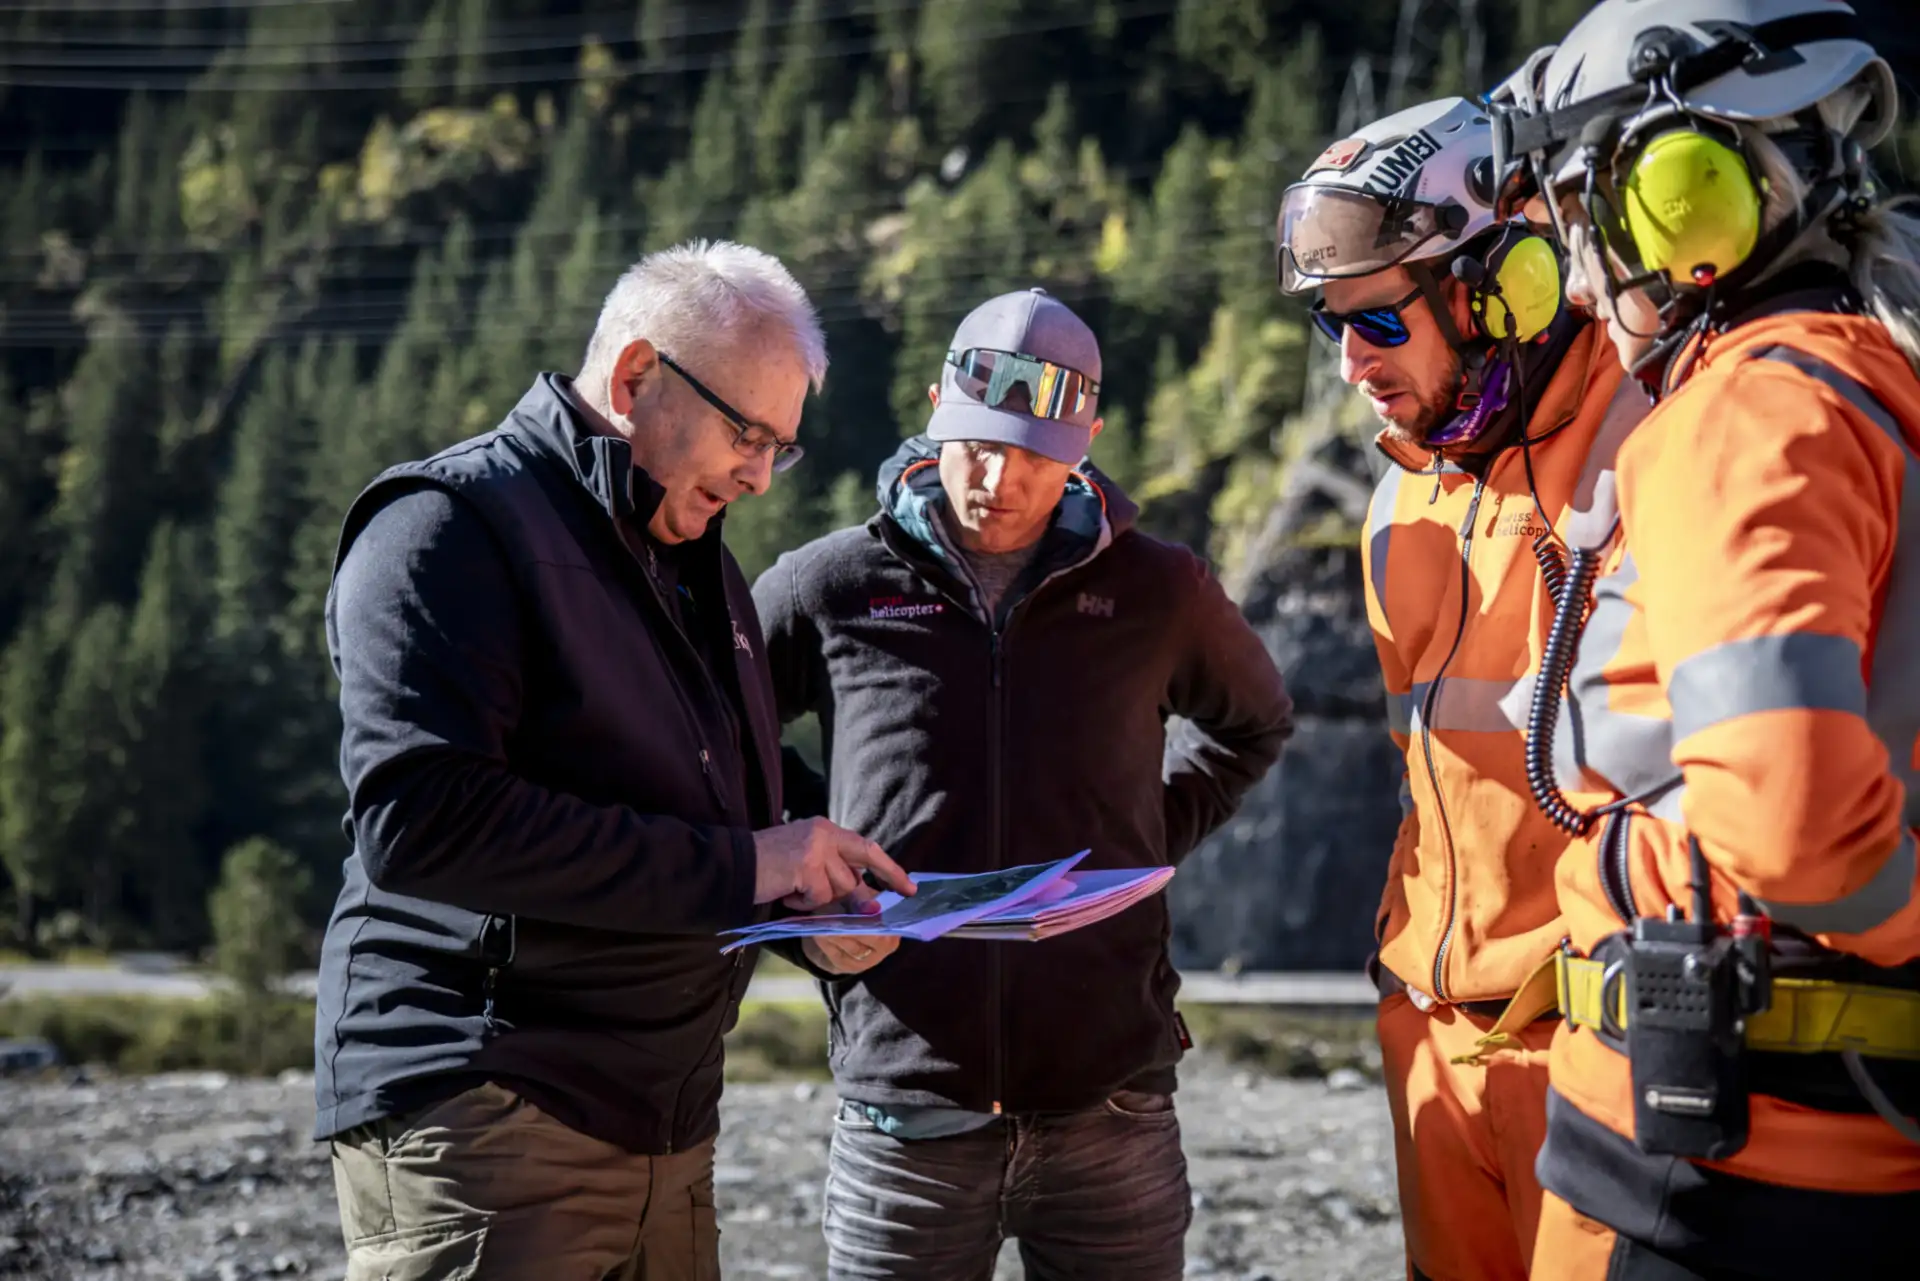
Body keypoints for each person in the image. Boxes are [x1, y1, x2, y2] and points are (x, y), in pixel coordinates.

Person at [312, 238, 914, 1280]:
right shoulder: (446, 526)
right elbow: (422, 820)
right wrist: (755, 868)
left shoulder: (698, 566)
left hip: (668, 1125)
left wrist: (815, 911)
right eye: (746, 432)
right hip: (491, 1108)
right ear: (637, 376)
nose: (761, 476)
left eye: (783, 447)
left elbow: (723, 804)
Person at [1494, 1, 1920, 1275]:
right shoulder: (1878, 375)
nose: (1576, 281)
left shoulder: (1753, 408)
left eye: (1581, 224)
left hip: (1716, 1167)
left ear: (1679, 200)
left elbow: (1794, 830)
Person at [751, 286, 1295, 1280]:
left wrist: (1144, 840)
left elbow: (1252, 725)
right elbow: (715, 738)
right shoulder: (826, 585)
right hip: (900, 1108)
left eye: (1036, 456)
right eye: (976, 446)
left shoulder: (1159, 590)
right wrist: (802, 877)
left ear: (1084, 439)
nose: (998, 479)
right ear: (933, 412)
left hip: (1113, 1108)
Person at [1274, 95, 1649, 1280]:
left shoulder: (1652, 451)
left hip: (1599, 1050)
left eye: (1378, 322)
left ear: (1502, 288)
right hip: (1431, 1040)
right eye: (1332, 328)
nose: (1351, 366)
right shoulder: (1402, 498)